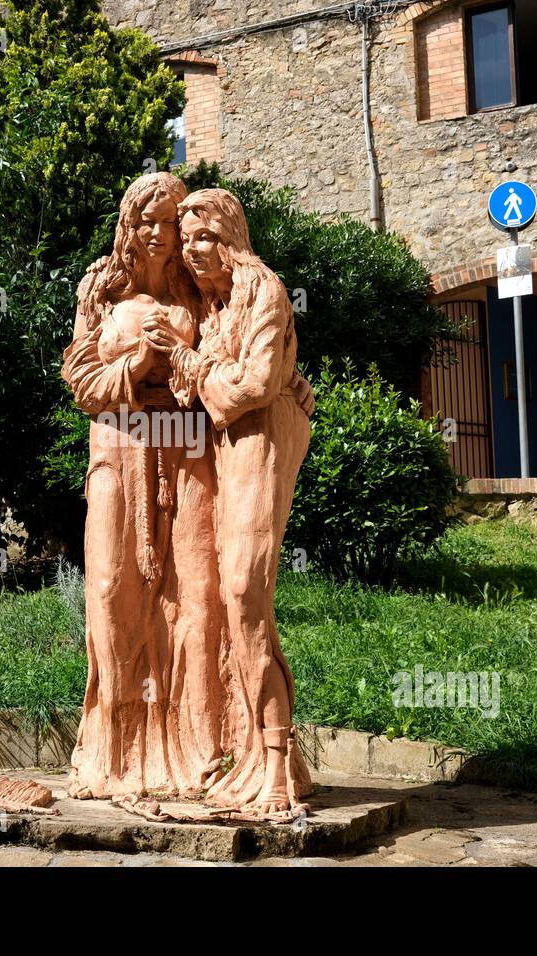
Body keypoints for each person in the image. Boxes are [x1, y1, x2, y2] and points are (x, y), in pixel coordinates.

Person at [143, 187, 313, 817]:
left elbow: (254, 384)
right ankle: (271, 755)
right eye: (186, 244)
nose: (192, 252)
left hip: (260, 445)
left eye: (204, 238)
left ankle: (274, 764)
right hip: (230, 449)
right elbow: (222, 387)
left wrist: (189, 362)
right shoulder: (215, 307)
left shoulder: (263, 289)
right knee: (233, 600)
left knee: (244, 590)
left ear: (230, 236)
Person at [61, 173, 225, 799]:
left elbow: (226, 368)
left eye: (171, 220)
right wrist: (137, 364)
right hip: (119, 446)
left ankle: (195, 745)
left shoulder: (199, 292)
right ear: (130, 221)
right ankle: (112, 751)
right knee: (110, 588)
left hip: (184, 451)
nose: (160, 233)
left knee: (192, 598)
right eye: (148, 220)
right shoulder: (101, 289)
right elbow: (82, 383)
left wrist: (183, 369)